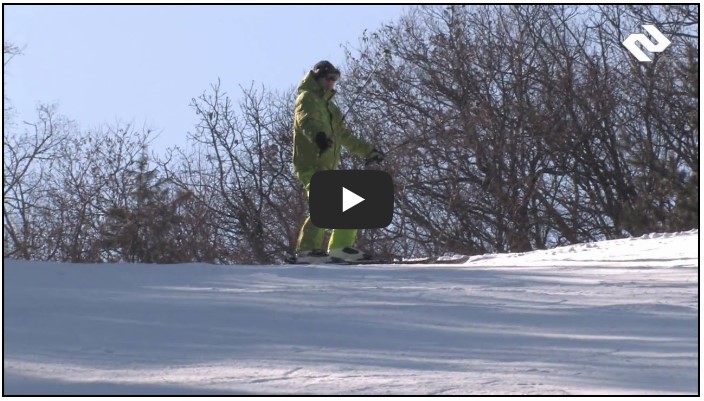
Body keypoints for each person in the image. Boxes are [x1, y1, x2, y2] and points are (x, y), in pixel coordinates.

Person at [292, 60, 385, 263]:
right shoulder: (306, 98)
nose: (332, 83)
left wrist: (369, 151)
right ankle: (307, 250)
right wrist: (319, 137)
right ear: (318, 78)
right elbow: (306, 121)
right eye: (329, 78)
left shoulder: (331, 108)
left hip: (327, 166)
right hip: (310, 163)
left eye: (335, 79)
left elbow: (344, 136)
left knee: (352, 199)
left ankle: (341, 247)